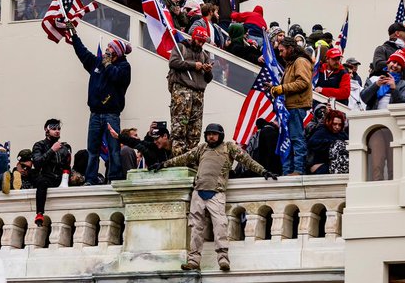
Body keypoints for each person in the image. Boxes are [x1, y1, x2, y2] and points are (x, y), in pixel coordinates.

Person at [149, 123, 278, 272]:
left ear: (220, 135)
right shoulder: (202, 148)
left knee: (220, 226)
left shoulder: (229, 147)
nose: (211, 136)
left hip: (216, 193)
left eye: (214, 134)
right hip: (198, 192)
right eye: (209, 134)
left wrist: (263, 171)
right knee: (196, 228)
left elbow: (247, 160)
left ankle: (223, 260)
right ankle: (193, 261)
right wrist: (163, 164)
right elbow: (182, 159)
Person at [72, 33, 132, 184]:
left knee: (113, 150)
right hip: (95, 114)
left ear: (117, 52)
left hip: (111, 114)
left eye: (111, 47)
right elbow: (83, 54)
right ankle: (90, 178)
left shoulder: (124, 66)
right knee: (92, 151)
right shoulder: (98, 63)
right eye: (108, 46)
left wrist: (107, 64)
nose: (107, 49)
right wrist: (74, 37)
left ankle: (114, 178)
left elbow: (116, 77)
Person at [168, 27, 213, 157]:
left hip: (198, 94)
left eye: (203, 42)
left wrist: (208, 70)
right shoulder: (181, 48)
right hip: (182, 91)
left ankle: (191, 159)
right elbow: (173, 62)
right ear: (193, 38)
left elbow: (208, 79)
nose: (201, 44)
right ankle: (177, 157)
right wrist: (193, 65)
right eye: (199, 41)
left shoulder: (204, 55)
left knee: (195, 130)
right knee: (179, 127)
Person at [271, 37, 312, 176]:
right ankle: (287, 171)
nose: (280, 54)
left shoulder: (300, 61)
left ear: (290, 49)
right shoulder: (290, 63)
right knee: (286, 140)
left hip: (296, 107)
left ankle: (298, 170)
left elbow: (303, 83)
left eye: (282, 50)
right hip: (289, 108)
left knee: (296, 138)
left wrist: (281, 88)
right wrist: (274, 88)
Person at [32, 119, 72, 226]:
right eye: (54, 129)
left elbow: (67, 166)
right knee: (41, 182)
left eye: (58, 128)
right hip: (46, 178)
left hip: (60, 178)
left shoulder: (64, 148)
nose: (57, 131)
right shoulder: (39, 145)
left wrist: (66, 179)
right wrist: (52, 150)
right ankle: (39, 213)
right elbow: (37, 163)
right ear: (46, 130)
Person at [307, 109, 348, 174]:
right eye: (335, 124)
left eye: (340, 125)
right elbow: (311, 143)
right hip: (320, 167)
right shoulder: (322, 131)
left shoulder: (342, 134)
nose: (337, 127)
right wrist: (332, 144)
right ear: (328, 121)